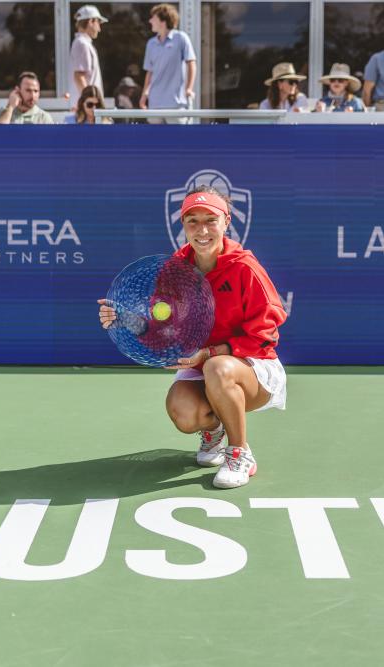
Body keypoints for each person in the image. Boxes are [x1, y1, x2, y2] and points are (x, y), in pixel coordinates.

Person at [97, 186, 288, 489]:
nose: (202, 230)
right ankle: (213, 429)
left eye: (210, 220)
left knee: (218, 368)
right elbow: (165, 329)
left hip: (251, 368)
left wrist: (212, 353)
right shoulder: (176, 271)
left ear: (226, 222)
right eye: (193, 221)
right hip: (203, 365)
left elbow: (266, 336)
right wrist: (128, 322)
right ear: (183, 226)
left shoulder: (245, 268)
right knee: (183, 413)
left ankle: (240, 453)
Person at [140, 3, 197, 124]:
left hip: (176, 104)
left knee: (178, 141)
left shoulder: (181, 38)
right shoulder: (151, 43)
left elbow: (191, 63)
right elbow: (150, 72)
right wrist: (144, 94)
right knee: (156, 142)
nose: (150, 21)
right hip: (155, 105)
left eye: (153, 18)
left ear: (163, 20)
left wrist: (189, 89)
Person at [69, 5, 107, 102]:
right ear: (91, 21)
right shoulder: (82, 43)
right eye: (98, 23)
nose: (99, 29)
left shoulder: (82, 43)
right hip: (87, 110)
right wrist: (89, 103)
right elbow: (79, 76)